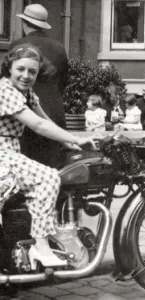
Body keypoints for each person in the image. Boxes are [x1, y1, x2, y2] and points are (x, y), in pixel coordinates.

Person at [0, 44, 96, 267]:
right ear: (9, 68)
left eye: (32, 72)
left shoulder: (26, 93)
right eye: (20, 69)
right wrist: (74, 140)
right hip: (2, 153)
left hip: (10, 152)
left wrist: (70, 140)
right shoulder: (5, 90)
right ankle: (41, 247)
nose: (26, 76)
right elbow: (39, 126)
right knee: (48, 178)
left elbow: (46, 120)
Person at [8, 4, 69, 168]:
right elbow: (64, 81)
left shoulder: (17, 46)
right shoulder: (59, 48)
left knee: (26, 171)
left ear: (24, 23)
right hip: (54, 113)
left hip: (25, 116)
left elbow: (8, 81)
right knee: (55, 169)